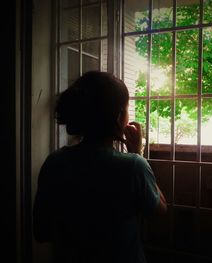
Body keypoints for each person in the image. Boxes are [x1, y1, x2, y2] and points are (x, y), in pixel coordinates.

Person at [33, 71, 167, 263]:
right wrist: (138, 154)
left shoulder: (54, 163)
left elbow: (41, 232)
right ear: (120, 116)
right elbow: (160, 210)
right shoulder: (133, 166)